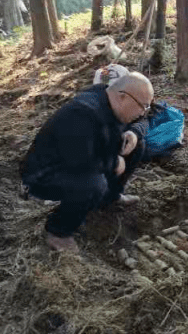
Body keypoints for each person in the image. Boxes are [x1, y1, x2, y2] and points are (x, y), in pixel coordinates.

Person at [20, 73, 154, 253]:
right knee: (93, 184)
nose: (143, 112)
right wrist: (114, 162)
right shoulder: (82, 112)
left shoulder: (111, 100)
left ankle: (110, 197)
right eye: (142, 106)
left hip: (83, 160)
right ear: (123, 96)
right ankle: (58, 231)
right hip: (45, 174)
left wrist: (135, 133)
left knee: (136, 145)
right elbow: (80, 162)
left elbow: (146, 119)